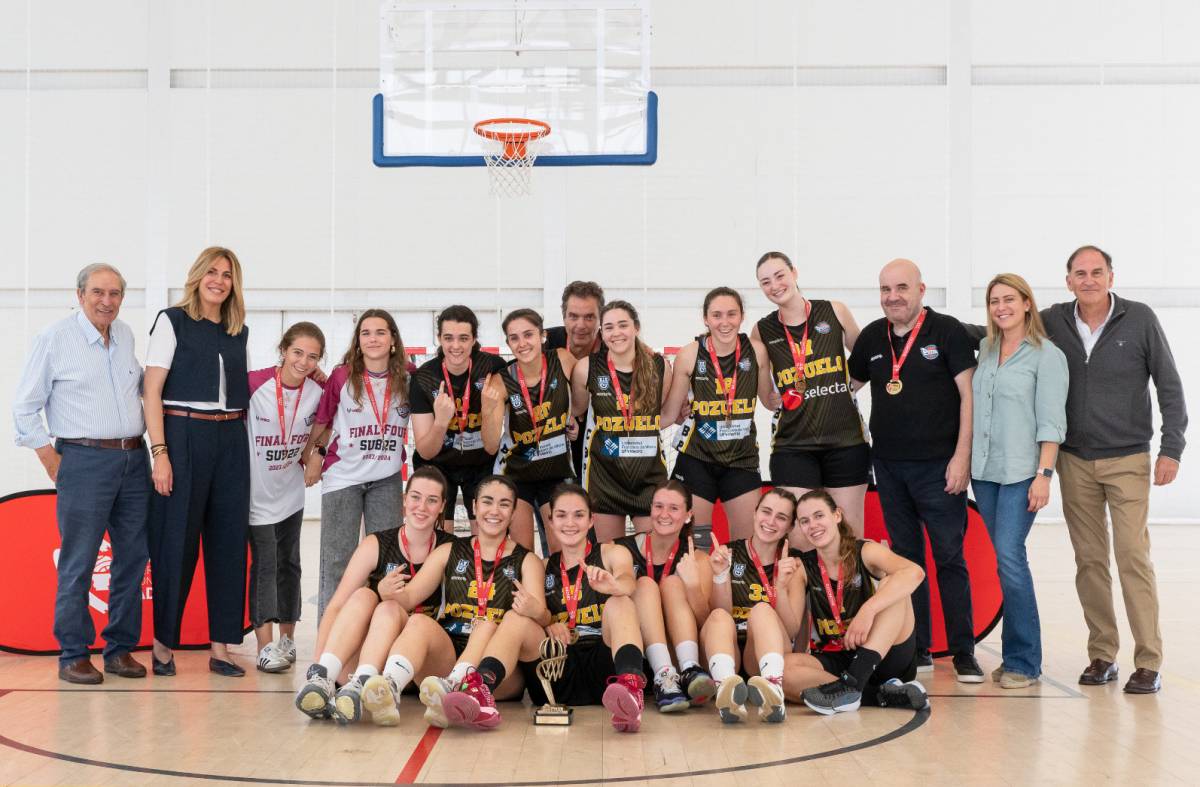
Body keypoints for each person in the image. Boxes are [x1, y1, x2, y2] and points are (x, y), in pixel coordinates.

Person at [1042, 245, 1187, 694]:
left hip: (1127, 458)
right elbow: (1002, 332)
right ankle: (1102, 655)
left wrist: (1172, 448)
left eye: (1097, 272)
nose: (1088, 279)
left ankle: (1148, 661)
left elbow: (1169, 383)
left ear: (1110, 276)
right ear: (1068, 280)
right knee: (1089, 561)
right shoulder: (1051, 322)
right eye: (1079, 273)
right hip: (1074, 459)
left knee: (1131, 557)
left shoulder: (1139, 318)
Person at [847, 258, 983, 682]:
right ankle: (917, 647)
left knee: (949, 558)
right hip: (888, 468)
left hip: (940, 469)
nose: (893, 297)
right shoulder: (871, 336)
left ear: (921, 289)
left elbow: (968, 398)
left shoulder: (948, 332)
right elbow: (845, 390)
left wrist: (962, 457)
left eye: (901, 288)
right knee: (905, 563)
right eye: (886, 289)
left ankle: (964, 652)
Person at [12, 263, 149, 684]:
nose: (107, 301)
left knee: (133, 559)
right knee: (79, 561)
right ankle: (73, 654)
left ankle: (119, 649)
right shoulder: (55, 339)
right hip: (83, 461)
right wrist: (52, 460)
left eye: (115, 294)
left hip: (134, 459)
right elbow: (23, 408)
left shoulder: (124, 335)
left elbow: (144, 388)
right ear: (79, 294)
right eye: (98, 293)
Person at [440, 483, 649, 732]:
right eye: (561, 515)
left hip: (603, 666)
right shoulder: (542, 564)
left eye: (578, 515)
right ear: (550, 522)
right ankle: (480, 690)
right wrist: (549, 623)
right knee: (517, 617)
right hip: (556, 667)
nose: (569, 523)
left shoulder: (611, 553)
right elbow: (537, 614)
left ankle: (630, 686)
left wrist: (614, 586)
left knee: (621, 602)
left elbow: (628, 581)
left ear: (592, 520)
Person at [144, 246, 251, 677]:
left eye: (227, 274)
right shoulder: (173, 322)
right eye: (212, 272)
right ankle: (162, 645)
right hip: (183, 433)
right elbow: (151, 391)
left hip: (231, 436)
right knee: (177, 542)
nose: (219, 280)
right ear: (197, 277)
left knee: (228, 544)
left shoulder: (238, 330)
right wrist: (160, 453)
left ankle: (221, 647)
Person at [365, 476, 543, 728]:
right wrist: (386, 592)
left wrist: (536, 611)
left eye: (504, 504)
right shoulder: (450, 551)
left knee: (487, 624)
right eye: (487, 502)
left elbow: (542, 618)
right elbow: (408, 598)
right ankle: (389, 686)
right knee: (418, 621)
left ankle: (457, 687)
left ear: (514, 512)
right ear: (474, 507)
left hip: (496, 667)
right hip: (448, 655)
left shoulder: (527, 561)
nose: (494, 511)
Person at [293, 466, 455, 723]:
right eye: (415, 497)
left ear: (442, 507)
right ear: (404, 500)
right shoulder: (376, 544)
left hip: (419, 664)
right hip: (373, 654)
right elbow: (335, 608)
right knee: (362, 597)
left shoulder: (449, 547)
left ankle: (366, 682)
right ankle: (325, 679)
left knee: (388, 606)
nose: (421, 506)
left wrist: (385, 595)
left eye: (431, 500)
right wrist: (316, 667)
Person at [971, 274, 1068, 689]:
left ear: (1027, 303)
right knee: (1002, 561)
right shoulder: (986, 349)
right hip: (985, 471)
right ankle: (1014, 655)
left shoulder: (1047, 355)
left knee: (1010, 557)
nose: (1001, 307)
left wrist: (1044, 476)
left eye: (1009, 299)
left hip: (1022, 472)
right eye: (994, 301)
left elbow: (1051, 422)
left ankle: (1025, 662)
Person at [751, 251, 868, 545]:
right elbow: (766, 398)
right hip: (794, 446)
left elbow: (867, 359)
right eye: (766, 282)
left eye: (779, 275)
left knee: (848, 539)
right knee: (802, 540)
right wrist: (777, 397)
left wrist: (847, 386)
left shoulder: (834, 310)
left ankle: (850, 593)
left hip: (846, 441)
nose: (775, 285)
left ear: (794, 272)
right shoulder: (761, 330)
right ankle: (805, 593)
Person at [303, 309, 410, 620]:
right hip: (343, 478)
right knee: (337, 560)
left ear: (393, 340)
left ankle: (379, 630)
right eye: (366, 333)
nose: (373, 338)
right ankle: (329, 634)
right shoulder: (342, 376)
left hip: (387, 478)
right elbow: (324, 421)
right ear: (358, 341)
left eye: (380, 332)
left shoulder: (407, 377)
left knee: (388, 561)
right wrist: (313, 456)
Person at [786, 490, 930, 714]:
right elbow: (792, 626)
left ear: (837, 515)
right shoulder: (803, 567)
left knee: (893, 583)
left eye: (819, 515)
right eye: (804, 521)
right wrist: (779, 585)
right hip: (839, 656)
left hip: (883, 654)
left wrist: (868, 610)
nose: (812, 525)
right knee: (783, 669)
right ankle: (875, 694)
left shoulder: (865, 550)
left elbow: (915, 573)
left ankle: (853, 684)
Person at [663, 287, 775, 546]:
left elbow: (769, 402)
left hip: (741, 459)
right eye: (716, 315)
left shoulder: (756, 351)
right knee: (697, 543)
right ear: (705, 319)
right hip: (697, 458)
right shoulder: (690, 354)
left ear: (742, 316)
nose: (724, 322)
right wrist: (628, 426)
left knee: (746, 544)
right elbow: (669, 414)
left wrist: (794, 395)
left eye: (731, 314)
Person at [246, 322, 327, 672]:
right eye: (298, 353)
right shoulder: (253, 383)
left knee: (290, 564)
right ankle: (264, 647)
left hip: (291, 492)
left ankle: (288, 639)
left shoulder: (318, 391)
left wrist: (314, 452)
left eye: (312, 357)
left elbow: (331, 416)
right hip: (255, 494)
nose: (304, 362)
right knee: (265, 565)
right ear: (283, 350)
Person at [571, 300, 673, 542]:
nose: (616, 332)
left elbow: (663, 414)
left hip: (649, 476)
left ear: (636, 327)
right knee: (609, 559)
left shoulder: (659, 367)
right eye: (608, 327)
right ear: (602, 333)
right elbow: (577, 409)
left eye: (623, 325)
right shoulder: (587, 368)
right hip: (604, 476)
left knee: (653, 556)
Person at [701, 489, 805, 724]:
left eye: (781, 517)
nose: (770, 521)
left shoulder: (793, 564)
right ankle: (727, 693)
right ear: (754, 513)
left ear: (790, 526)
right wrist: (719, 576)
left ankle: (774, 692)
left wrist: (780, 586)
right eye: (766, 512)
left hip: (765, 655)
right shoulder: (728, 552)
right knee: (717, 616)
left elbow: (791, 631)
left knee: (761, 610)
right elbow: (721, 614)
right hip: (729, 651)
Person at [482, 309, 579, 553]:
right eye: (514, 338)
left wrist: (573, 419)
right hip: (516, 472)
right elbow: (491, 445)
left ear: (542, 335)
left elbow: (583, 398)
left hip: (555, 470)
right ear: (508, 343)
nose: (522, 343)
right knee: (522, 553)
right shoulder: (500, 381)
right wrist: (487, 408)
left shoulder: (563, 359)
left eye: (528, 335)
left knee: (562, 550)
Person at [617, 480, 715, 711]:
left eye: (673, 508)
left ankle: (690, 671)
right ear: (650, 509)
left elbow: (704, 620)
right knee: (644, 585)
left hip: (682, 652)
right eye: (658, 506)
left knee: (672, 584)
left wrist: (691, 586)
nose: (664, 514)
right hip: (641, 653)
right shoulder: (622, 550)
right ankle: (664, 676)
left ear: (688, 515)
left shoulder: (698, 559)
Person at [409, 305, 508, 532]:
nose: (455, 346)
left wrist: (488, 409)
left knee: (487, 534)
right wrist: (441, 421)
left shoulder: (493, 367)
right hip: (438, 463)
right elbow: (425, 451)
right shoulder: (424, 378)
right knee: (440, 539)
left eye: (463, 338)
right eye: (448, 338)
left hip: (482, 462)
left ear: (474, 339)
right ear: (439, 339)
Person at [544, 281, 606, 481]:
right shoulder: (545, 343)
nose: (581, 325)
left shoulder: (614, 345)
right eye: (573, 316)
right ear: (564, 316)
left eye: (589, 317)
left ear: (600, 319)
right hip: (553, 442)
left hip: (601, 444)